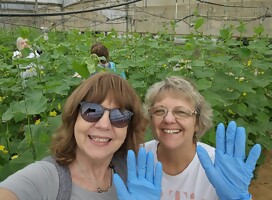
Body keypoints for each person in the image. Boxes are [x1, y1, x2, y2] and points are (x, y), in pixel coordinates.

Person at [0, 72, 162, 200]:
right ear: (74, 118)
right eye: (92, 111)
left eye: (119, 116)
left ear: (128, 127)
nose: (104, 124)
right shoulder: (46, 179)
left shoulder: (133, 177)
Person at [144, 76, 261, 200]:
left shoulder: (221, 167)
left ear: (197, 123)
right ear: (151, 119)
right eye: (159, 111)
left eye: (181, 112)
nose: (168, 119)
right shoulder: (135, 159)